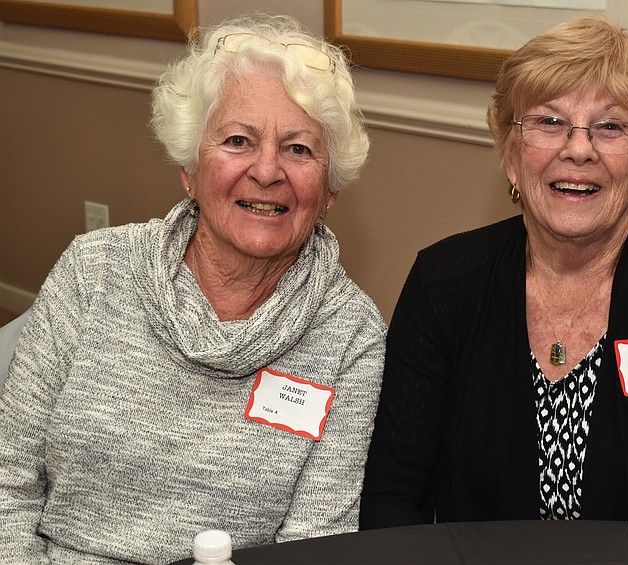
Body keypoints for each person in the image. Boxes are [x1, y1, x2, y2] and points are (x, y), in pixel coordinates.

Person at [360, 15, 628, 533]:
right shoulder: (444, 283)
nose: (578, 149)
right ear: (511, 153)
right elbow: (391, 498)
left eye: (610, 126)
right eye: (548, 121)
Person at [0, 14, 385, 564]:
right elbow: (6, 478)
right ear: (189, 168)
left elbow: (314, 544)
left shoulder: (350, 335)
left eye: (299, 149)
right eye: (237, 140)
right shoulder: (94, 272)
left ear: (330, 191)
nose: (268, 170)